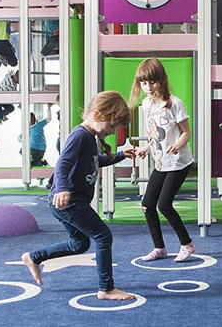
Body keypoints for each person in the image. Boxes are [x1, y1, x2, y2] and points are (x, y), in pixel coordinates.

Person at [22, 91, 136, 301]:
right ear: (98, 113)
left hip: (71, 201)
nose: (112, 132)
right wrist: (62, 188)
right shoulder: (80, 135)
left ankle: (34, 257)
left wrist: (119, 156)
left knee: (79, 244)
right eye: (112, 126)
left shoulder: (90, 136)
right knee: (103, 236)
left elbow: (94, 161)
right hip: (68, 201)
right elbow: (63, 163)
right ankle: (106, 289)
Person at [128, 58, 195, 262]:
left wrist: (178, 145)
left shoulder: (174, 103)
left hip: (178, 163)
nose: (148, 87)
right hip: (160, 163)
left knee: (164, 204)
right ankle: (159, 248)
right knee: (147, 204)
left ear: (162, 80)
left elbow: (186, 133)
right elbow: (155, 134)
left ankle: (187, 244)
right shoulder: (147, 104)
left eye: (153, 82)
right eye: (144, 83)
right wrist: (147, 148)